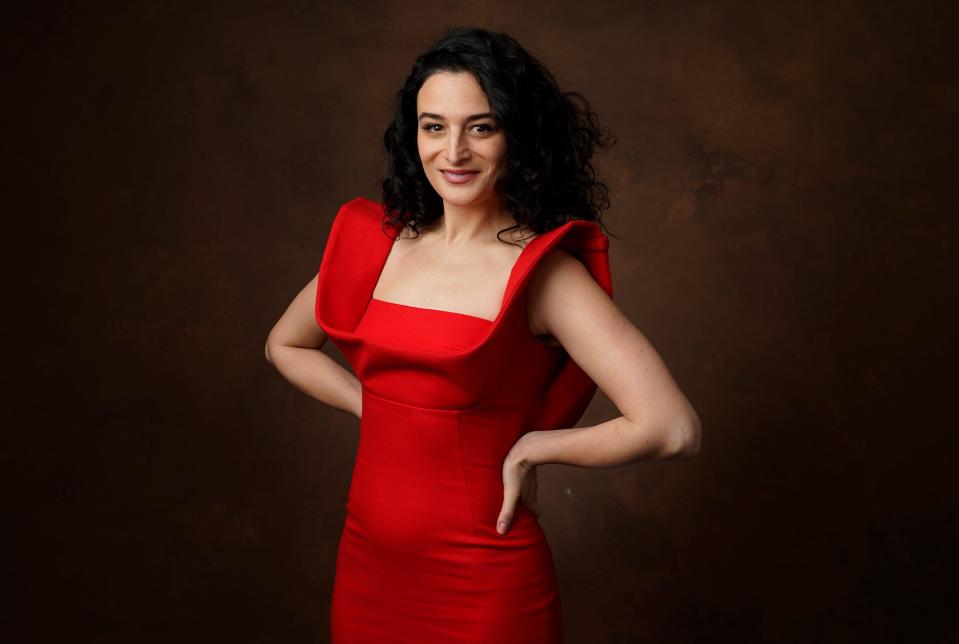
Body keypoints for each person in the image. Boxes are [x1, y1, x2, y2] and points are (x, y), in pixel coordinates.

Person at [265, 26, 701, 643]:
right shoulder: (380, 244)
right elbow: (284, 344)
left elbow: (673, 428)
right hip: (369, 570)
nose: (454, 152)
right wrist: (378, 409)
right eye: (434, 126)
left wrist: (534, 448)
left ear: (518, 137)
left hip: (481, 581)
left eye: (482, 126)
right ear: (412, 134)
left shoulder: (544, 274)